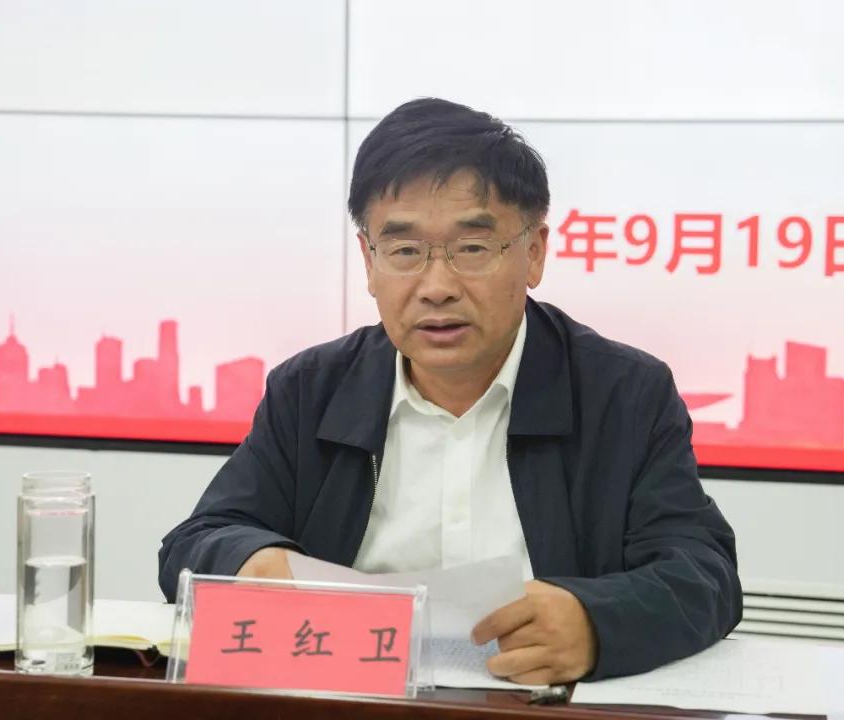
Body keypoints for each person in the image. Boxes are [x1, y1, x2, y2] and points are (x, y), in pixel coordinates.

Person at [159, 97, 741, 683]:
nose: (436, 286)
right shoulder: (310, 391)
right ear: (368, 260)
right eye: (405, 251)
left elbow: (704, 573)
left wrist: (595, 621)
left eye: (472, 249)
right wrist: (252, 563)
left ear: (535, 252)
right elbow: (196, 541)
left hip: (529, 702)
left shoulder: (624, 395)